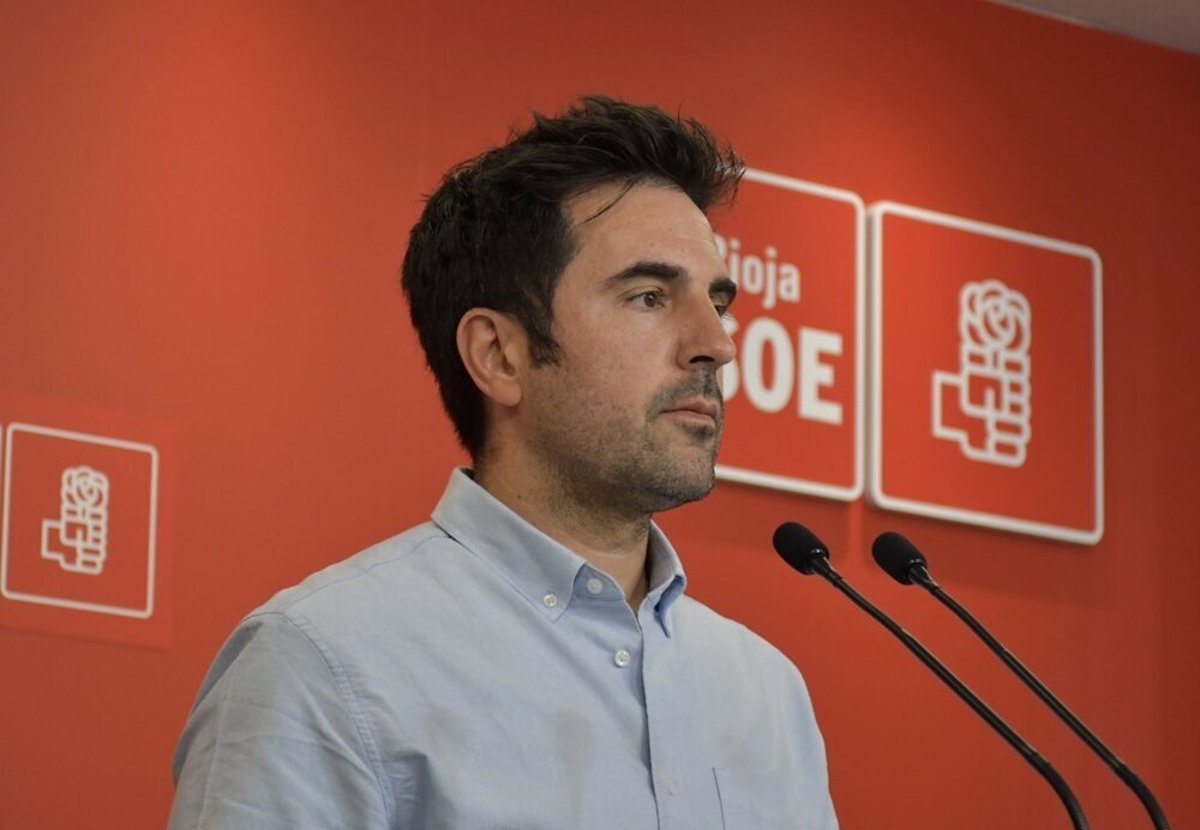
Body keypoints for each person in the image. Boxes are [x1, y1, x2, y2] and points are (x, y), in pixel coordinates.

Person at [168, 96, 838, 829]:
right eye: (649, 297)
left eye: (718, 302)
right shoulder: (323, 664)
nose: (718, 345)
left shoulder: (765, 693)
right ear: (499, 355)